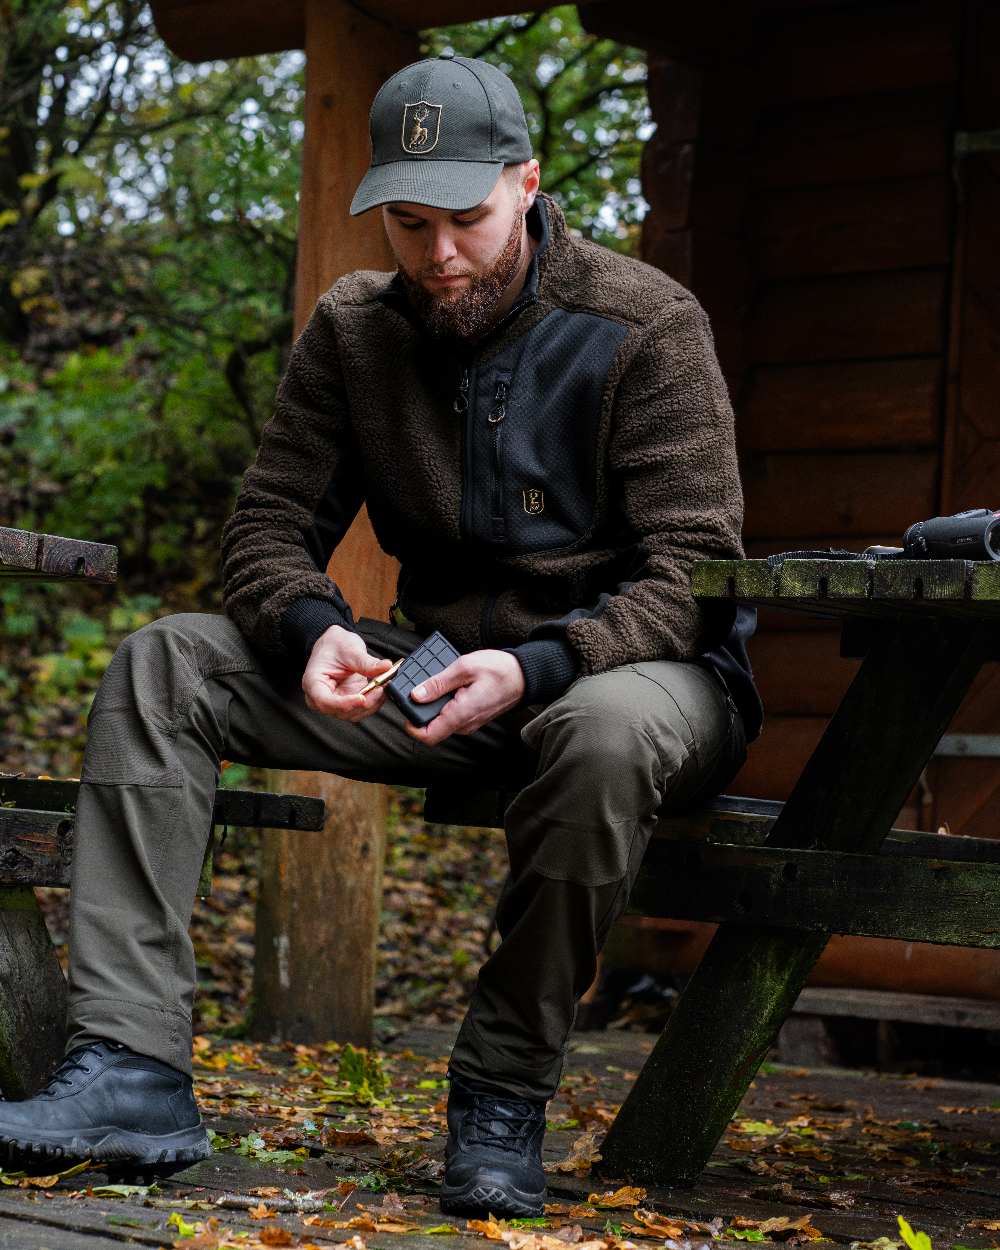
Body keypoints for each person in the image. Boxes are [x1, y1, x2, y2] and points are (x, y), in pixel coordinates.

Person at [0, 54, 762, 1217]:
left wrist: (542, 662)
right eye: (409, 223)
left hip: (638, 677)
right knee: (166, 660)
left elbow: (693, 575)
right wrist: (309, 628)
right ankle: (132, 1068)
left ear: (527, 181)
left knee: (601, 733)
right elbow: (265, 523)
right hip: (440, 674)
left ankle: (500, 1097)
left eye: (464, 217)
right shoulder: (354, 329)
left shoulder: (645, 325)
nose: (438, 252)